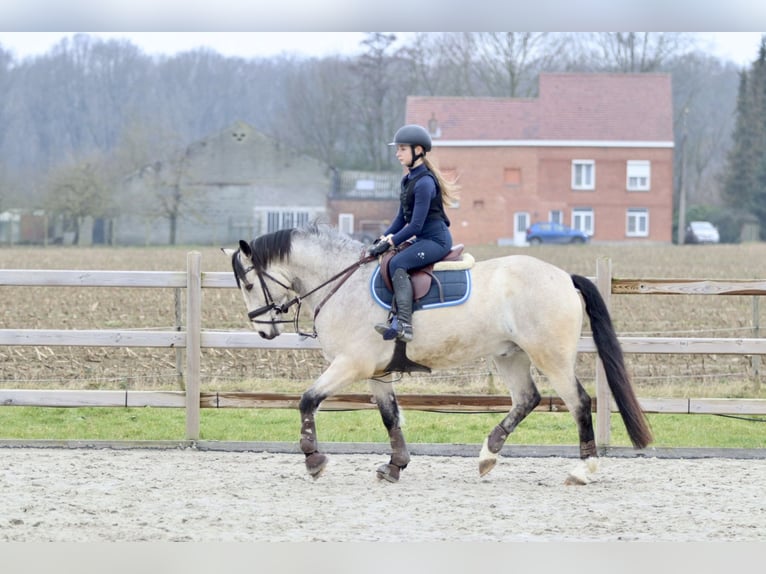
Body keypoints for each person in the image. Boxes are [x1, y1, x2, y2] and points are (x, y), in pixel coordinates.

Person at [367, 124, 459, 342]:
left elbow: (415, 226)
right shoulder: (408, 180)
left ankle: (404, 325)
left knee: (398, 262)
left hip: (436, 240)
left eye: (402, 149)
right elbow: (401, 218)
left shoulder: (425, 183)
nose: (397, 153)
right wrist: (382, 238)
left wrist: (391, 243)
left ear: (418, 150)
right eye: (397, 149)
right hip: (423, 238)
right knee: (388, 259)